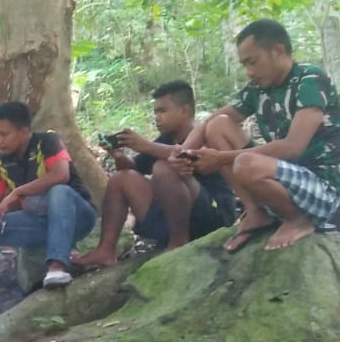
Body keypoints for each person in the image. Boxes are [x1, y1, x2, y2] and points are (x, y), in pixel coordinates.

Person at [175, 19, 340, 252]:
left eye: (252, 62)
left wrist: (221, 158)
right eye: (245, 64)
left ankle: (298, 220)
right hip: (280, 178)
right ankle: (255, 212)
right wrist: (183, 153)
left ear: (278, 51)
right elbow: (209, 123)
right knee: (218, 126)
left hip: (319, 190)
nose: (249, 72)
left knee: (245, 163)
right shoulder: (259, 88)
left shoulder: (311, 80)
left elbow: (292, 148)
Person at [0, 102, 97, 319]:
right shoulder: (0, 162)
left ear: (24, 132)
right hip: (40, 224)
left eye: (4, 134)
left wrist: (17, 193)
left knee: (59, 191)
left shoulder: (47, 142)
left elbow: (61, 175)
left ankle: (57, 266)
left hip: (77, 217)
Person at [72, 81, 237, 267]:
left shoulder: (206, 135)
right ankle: (106, 251)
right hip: (173, 220)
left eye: (162, 111)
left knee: (164, 168)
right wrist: (118, 155)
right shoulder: (165, 139)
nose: (157, 117)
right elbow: (133, 170)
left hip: (213, 217)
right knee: (121, 179)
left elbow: (184, 156)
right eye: (155, 112)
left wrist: (145, 145)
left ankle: (178, 245)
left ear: (184, 111)